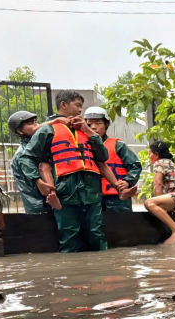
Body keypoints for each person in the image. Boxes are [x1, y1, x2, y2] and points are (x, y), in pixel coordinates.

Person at [15, 90, 117, 252]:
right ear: (63, 105)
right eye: (77, 105)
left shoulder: (86, 130)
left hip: (92, 194)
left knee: (97, 236)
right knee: (69, 239)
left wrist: (88, 131)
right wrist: (38, 181)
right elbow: (26, 159)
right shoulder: (47, 130)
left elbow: (103, 156)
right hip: (65, 195)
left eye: (81, 107)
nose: (79, 110)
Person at [83, 106, 141, 212]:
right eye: (89, 124)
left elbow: (135, 166)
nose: (94, 127)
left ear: (106, 125)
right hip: (92, 199)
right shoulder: (82, 146)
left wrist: (127, 182)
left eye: (98, 123)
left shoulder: (118, 145)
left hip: (117, 200)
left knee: (120, 227)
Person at [8, 111, 59, 213]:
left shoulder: (37, 147)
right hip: (39, 207)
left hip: (45, 204)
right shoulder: (24, 153)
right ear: (20, 131)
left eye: (36, 121)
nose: (36, 125)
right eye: (30, 123)